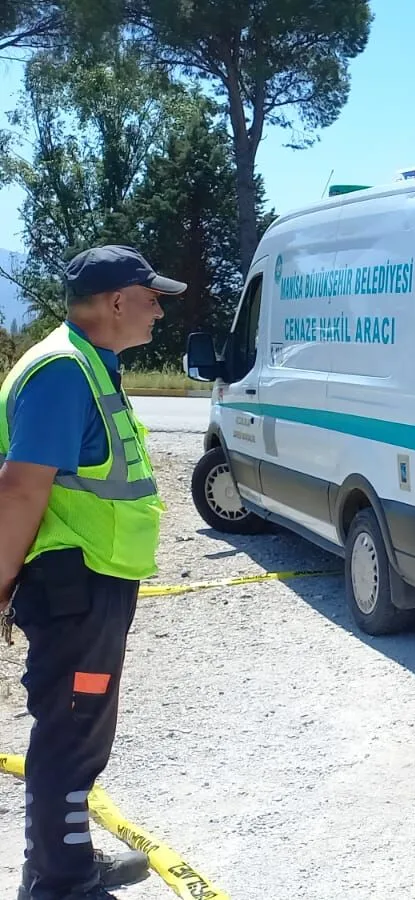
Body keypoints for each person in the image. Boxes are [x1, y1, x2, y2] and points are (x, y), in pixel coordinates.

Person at [0, 245, 182, 900]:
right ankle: (59, 883)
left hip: (93, 584)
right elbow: (20, 488)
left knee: (80, 731)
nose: (159, 310)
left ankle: (65, 865)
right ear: (115, 302)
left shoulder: (89, 367)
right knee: (69, 734)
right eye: (151, 295)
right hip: (74, 586)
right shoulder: (63, 372)